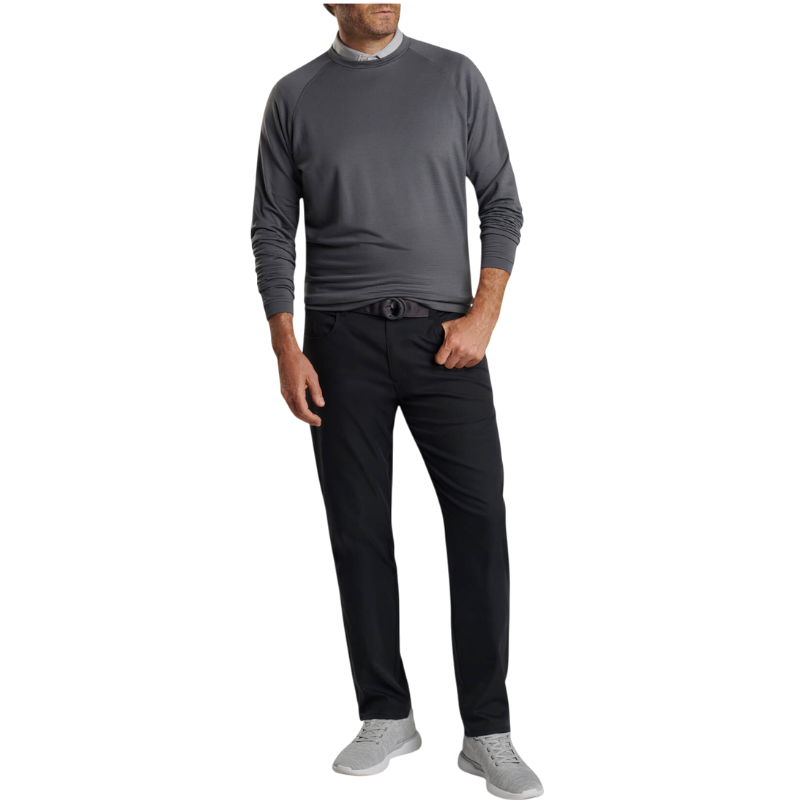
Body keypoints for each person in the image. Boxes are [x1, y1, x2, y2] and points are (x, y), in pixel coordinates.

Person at [250, 4, 543, 797]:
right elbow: (272, 226)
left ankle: (487, 729)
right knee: (358, 533)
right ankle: (387, 713)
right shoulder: (294, 95)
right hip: (336, 338)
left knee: (480, 523)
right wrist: (285, 345)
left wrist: (485, 315)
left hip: (447, 336)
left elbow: (502, 202)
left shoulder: (456, 76)